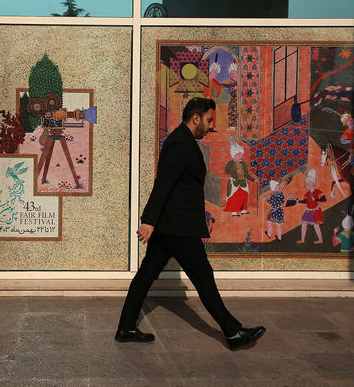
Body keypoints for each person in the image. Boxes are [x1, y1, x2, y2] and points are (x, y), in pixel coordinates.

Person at [116, 97, 265, 350]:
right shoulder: (179, 143)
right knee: (203, 277)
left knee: (145, 276)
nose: (210, 126)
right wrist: (149, 220)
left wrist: (155, 221)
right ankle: (232, 333)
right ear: (195, 118)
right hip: (178, 227)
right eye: (208, 120)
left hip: (171, 225)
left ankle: (126, 328)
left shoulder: (184, 141)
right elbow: (163, 183)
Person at [224, 136, 255, 216]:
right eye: (239, 155)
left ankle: (243, 210)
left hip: (243, 182)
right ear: (234, 156)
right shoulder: (230, 163)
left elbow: (246, 174)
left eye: (242, 156)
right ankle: (233, 211)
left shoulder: (244, 164)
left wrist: (253, 180)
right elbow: (226, 171)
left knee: (244, 196)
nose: (241, 157)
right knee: (234, 197)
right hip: (234, 183)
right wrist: (235, 170)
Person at [296, 168, 325, 244]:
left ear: (313, 183)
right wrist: (298, 201)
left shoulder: (318, 192)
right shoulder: (306, 194)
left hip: (315, 211)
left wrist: (315, 199)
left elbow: (324, 199)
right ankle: (302, 240)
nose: (306, 185)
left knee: (316, 226)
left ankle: (320, 240)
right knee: (303, 224)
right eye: (306, 184)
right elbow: (305, 201)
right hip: (308, 210)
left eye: (308, 184)